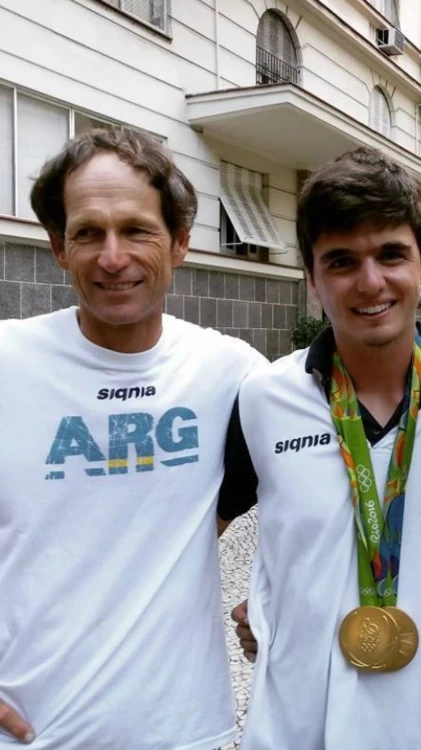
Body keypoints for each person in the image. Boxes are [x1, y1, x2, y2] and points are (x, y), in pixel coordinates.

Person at [219, 148, 421, 749]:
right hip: (296, 725)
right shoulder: (263, 398)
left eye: (391, 254)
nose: (371, 282)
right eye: (342, 261)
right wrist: (265, 604)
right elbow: (182, 538)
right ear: (312, 280)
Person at [0, 128, 266, 749]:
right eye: (87, 232)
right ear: (58, 247)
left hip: (185, 732)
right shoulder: (5, 361)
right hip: (30, 734)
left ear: (179, 243)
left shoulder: (234, 372)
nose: (112, 257)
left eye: (136, 230)